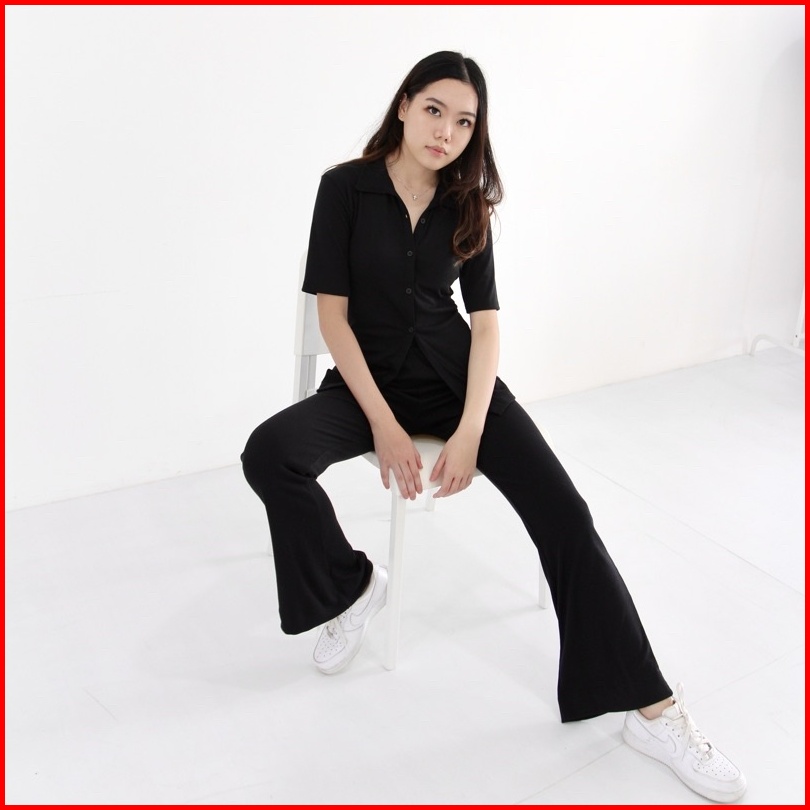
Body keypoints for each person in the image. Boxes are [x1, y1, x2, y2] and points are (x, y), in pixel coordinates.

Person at [242, 51, 746, 803]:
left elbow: (484, 324)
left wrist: (473, 426)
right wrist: (383, 424)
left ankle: (652, 709)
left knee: (567, 515)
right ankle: (352, 588)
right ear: (405, 104)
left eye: (464, 121)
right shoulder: (343, 188)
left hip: (456, 387)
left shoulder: (467, 201)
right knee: (269, 452)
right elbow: (333, 317)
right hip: (365, 388)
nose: (446, 132)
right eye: (435, 110)